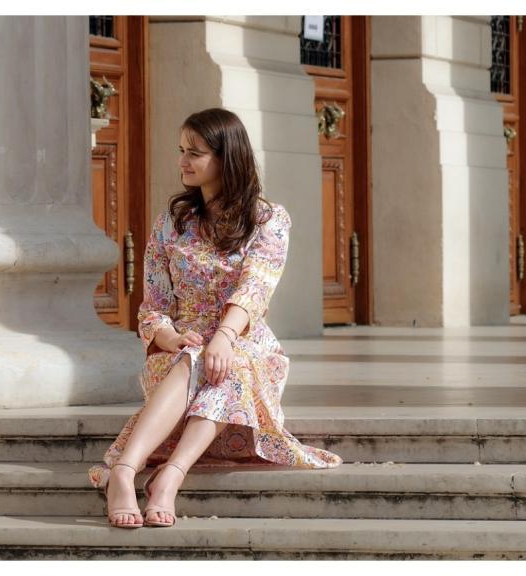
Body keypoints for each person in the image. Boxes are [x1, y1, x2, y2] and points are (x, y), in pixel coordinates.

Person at [87, 107, 343, 529]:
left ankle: (169, 477)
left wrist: (223, 336)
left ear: (227, 158)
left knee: (229, 366)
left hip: (244, 343)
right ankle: (125, 473)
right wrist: (167, 337)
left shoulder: (268, 219)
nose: (183, 161)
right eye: (182, 150)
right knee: (195, 358)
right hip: (179, 351)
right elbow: (153, 303)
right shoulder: (172, 222)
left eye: (196, 153)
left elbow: (256, 285)